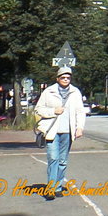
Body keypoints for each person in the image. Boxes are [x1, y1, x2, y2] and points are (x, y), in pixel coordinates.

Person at [35, 66, 87, 199]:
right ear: (57, 78)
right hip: (52, 131)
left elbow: (80, 111)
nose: (66, 79)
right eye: (63, 77)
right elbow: (38, 109)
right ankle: (50, 189)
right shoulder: (49, 91)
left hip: (68, 132)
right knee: (53, 158)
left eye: (68, 77)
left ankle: (58, 187)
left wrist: (79, 127)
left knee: (63, 161)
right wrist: (53, 111)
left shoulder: (75, 92)